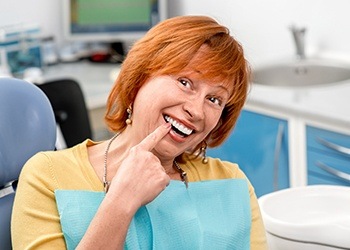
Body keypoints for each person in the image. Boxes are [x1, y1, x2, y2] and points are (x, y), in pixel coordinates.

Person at [11, 15, 268, 249]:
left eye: (215, 100)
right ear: (137, 82)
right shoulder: (47, 176)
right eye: (185, 82)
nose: (197, 111)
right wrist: (121, 202)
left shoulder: (233, 184)